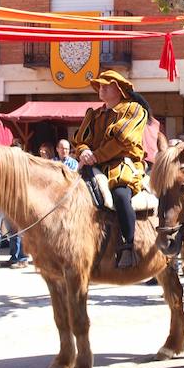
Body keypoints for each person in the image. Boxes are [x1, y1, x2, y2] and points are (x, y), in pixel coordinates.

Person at [73, 70, 149, 268]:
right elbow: (80, 141)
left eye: (106, 85)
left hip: (122, 164)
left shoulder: (134, 110)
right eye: (100, 85)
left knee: (121, 195)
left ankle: (128, 246)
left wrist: (95, 156)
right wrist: (84, 152)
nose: (101, 88)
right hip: (92, 164)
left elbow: (122, 141)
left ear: (119, 89)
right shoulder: (94, 114)